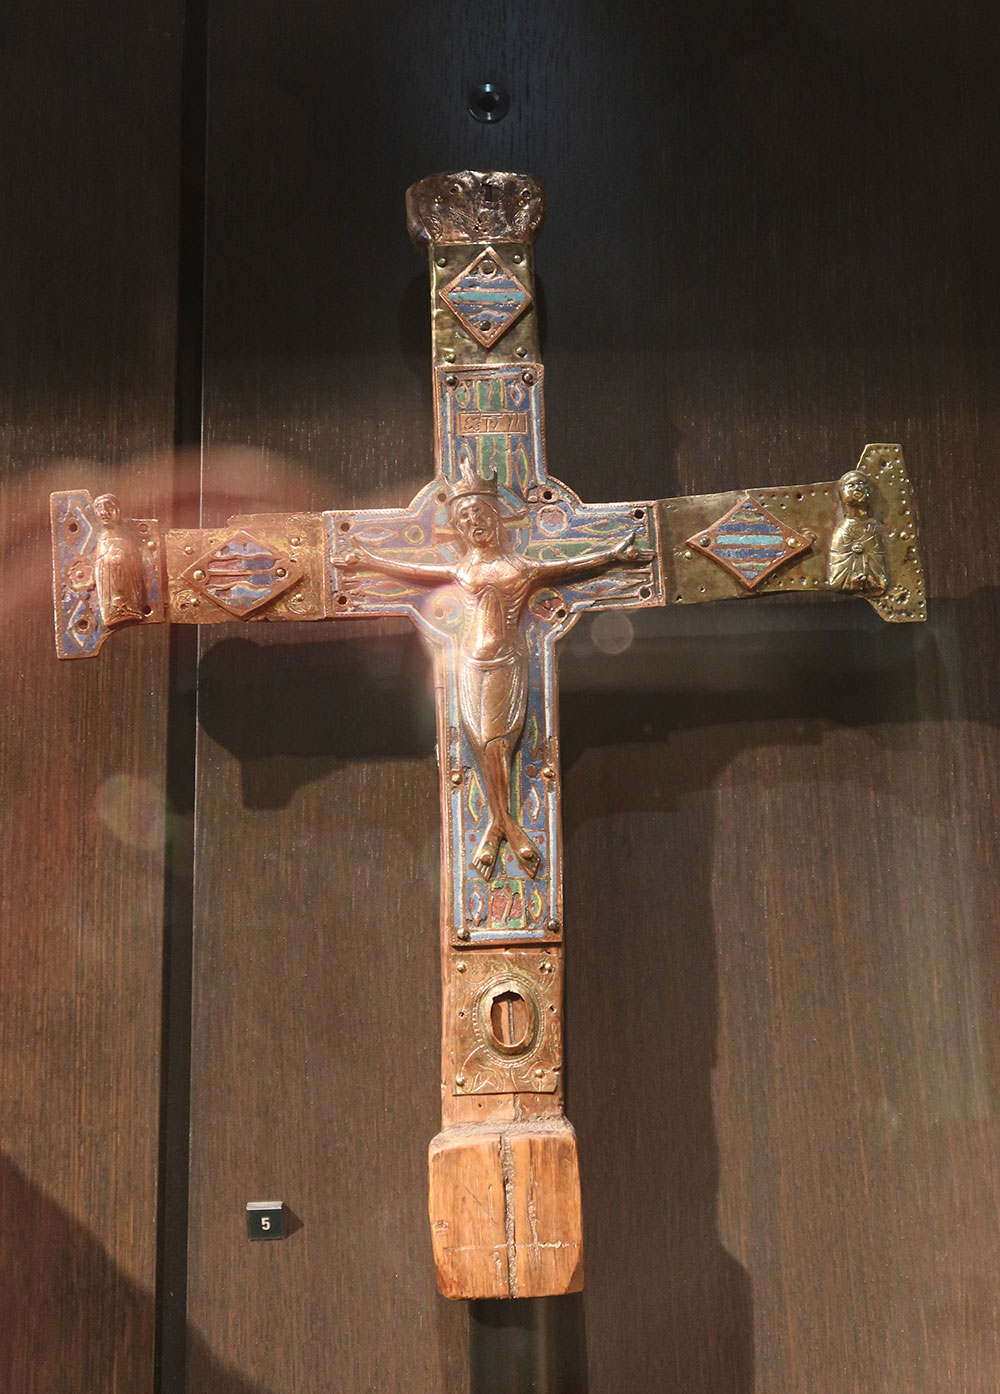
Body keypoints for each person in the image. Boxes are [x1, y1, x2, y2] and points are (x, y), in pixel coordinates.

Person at [342, 463, 650, 879]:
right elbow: (411, 571)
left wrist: (614, 555)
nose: (474, 522)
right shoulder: (461, 570)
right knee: (481, 738)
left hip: (508, 660)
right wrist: (366, 559)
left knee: (497, 742)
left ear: (495, 517)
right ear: (459, 528)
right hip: (471, 662)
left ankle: (499, 825)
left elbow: (573, 565)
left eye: (480, 514)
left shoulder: (521, 567)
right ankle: (505, 824)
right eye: (465, 517)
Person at [827, 470, 889, 593]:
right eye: (851, 485)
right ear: (842, 494)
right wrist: (853, 580)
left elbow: (879, 566)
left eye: (861, 484)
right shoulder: (842, 532)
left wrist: (870, 578)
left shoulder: (873, 528)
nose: (857, 488)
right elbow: (837, 576)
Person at [93, 494, 146, 625]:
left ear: (118, 510)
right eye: (99, 508)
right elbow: (103, 575)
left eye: (109, 507)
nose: (104, 512)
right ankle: (113, 611)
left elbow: (135, 575)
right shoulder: (102, 541)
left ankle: (129, 609)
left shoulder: (126, 540)